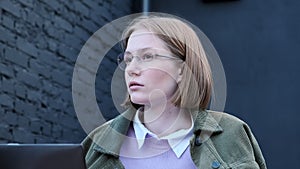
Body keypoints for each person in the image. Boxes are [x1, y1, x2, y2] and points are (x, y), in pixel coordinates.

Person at [81, 14, 267, 169]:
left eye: (147, 56)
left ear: (182, 68)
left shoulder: (230, 134)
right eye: (128, 59)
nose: (131, 69)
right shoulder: (96, 144)